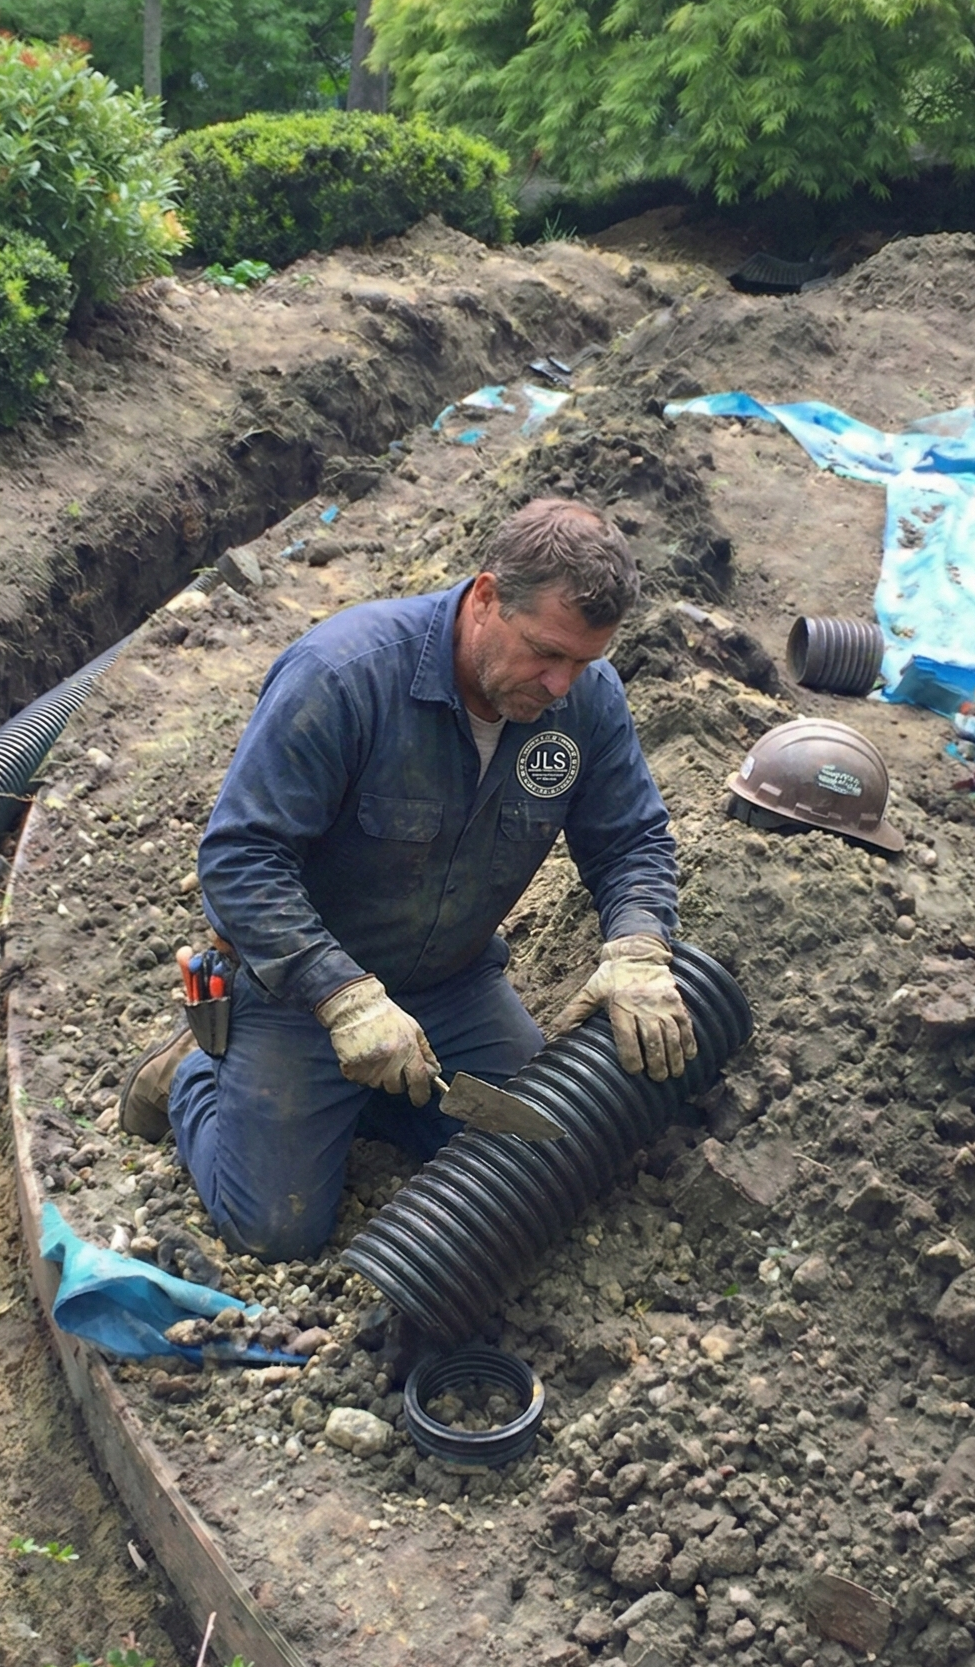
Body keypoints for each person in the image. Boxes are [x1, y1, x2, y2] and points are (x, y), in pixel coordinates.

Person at [118, 496, 696, 1260]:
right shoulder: (344, 676)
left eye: (583, 662)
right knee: (277, 1228)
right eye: (545, 654)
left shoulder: (584, 702)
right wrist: (343, 995)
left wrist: (639, 947)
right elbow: (240, 856)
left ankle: (370, 1099)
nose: (561, 684)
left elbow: (630, 839)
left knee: (553, 1159)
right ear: (487, 597)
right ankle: (191, 1076)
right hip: (301, 994)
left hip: (451, 990)